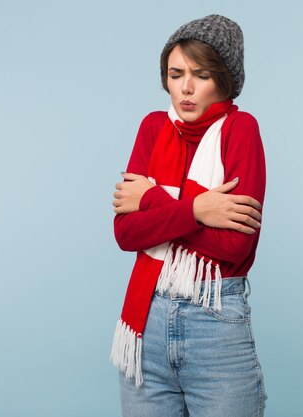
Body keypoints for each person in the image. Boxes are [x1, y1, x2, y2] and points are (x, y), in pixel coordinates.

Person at [110, 14, 267, 417]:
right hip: (147, 324)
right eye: (176, 73)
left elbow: (234, 245)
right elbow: (126, 233)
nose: (186, 87)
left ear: (225, 79)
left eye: (201, 74)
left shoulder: (241, 130)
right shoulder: (152, 127)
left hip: (214, 328)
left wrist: (152, 202)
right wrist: (199, 209)